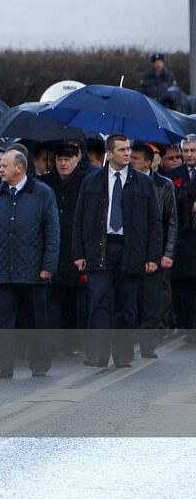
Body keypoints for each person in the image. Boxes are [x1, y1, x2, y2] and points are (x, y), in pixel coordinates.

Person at [75, 135, 161, 369]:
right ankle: (98, 354)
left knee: (126, 303)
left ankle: (123, 354)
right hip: (100, 247)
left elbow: (154, 222)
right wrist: (79, 253)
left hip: (131, 249)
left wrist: (153, 256)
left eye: (129, 149)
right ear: (109, 153)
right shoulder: (92, 181)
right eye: (122, 149)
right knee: (99, 300)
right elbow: (80, 218)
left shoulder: (143, 183)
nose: (127, 153)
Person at [0, 150, 61, 378]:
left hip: (34, 269)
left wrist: (49, 265)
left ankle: (40, 362)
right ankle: (2, 366)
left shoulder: (42, 193)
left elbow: (52, 232)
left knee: (35, 319)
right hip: (3, 268)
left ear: (20, 168)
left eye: (4, 165)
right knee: (1, 321)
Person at [39, 142, 92, 351]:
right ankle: (55, 341)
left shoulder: (85, 182)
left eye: (67, 160)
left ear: (76, 160)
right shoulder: (46, 182)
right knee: (52, 296)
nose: (63, 164)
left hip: (75, 247)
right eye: (59, 160)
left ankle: (73, 342)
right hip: (52, 247)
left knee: (74, 297)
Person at [132, 142, 177, 358]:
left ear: (148, 162)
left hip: (156, 251)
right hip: (131, 249)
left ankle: (148, 344)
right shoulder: (125, 182)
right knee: (130, 297)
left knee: (151, 299)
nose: (131, 162)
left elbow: (172, 222)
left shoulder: (164, 184)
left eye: (136, 159)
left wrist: (167, 254)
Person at [170, 135, 196, 337]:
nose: (189, 154)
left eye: (193, 151)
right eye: (186, 151)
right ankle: (186, 324)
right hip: (181, 240)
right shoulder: (174, 175)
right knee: (182, 285)